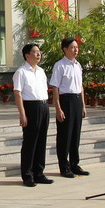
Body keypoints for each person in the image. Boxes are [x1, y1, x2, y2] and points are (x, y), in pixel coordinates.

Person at [13, 43, 53, 187]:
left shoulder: (41, 71)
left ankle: (39, 173)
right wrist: (22, 114)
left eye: (39, 52)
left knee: (41, 141)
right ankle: (27, 175)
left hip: (43, 106)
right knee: (30, 142)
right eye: (35, 52)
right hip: (31, 107)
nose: (38, 54)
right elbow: (17, 94)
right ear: (27, 55)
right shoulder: (21, 72)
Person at [50, 37, 89, 178]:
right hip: (66, 101)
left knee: (75, 135)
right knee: (64, 136)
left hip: (77, 100)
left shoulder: (78, 65)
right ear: (65, 49)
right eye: (72, 47)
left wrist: (83, 105)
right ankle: (64, 166)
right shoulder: (59, 65)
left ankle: (74, 164)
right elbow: (55, 88)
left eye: (77, 47)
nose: (75, 50)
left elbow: (81, 86)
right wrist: (58, 108)